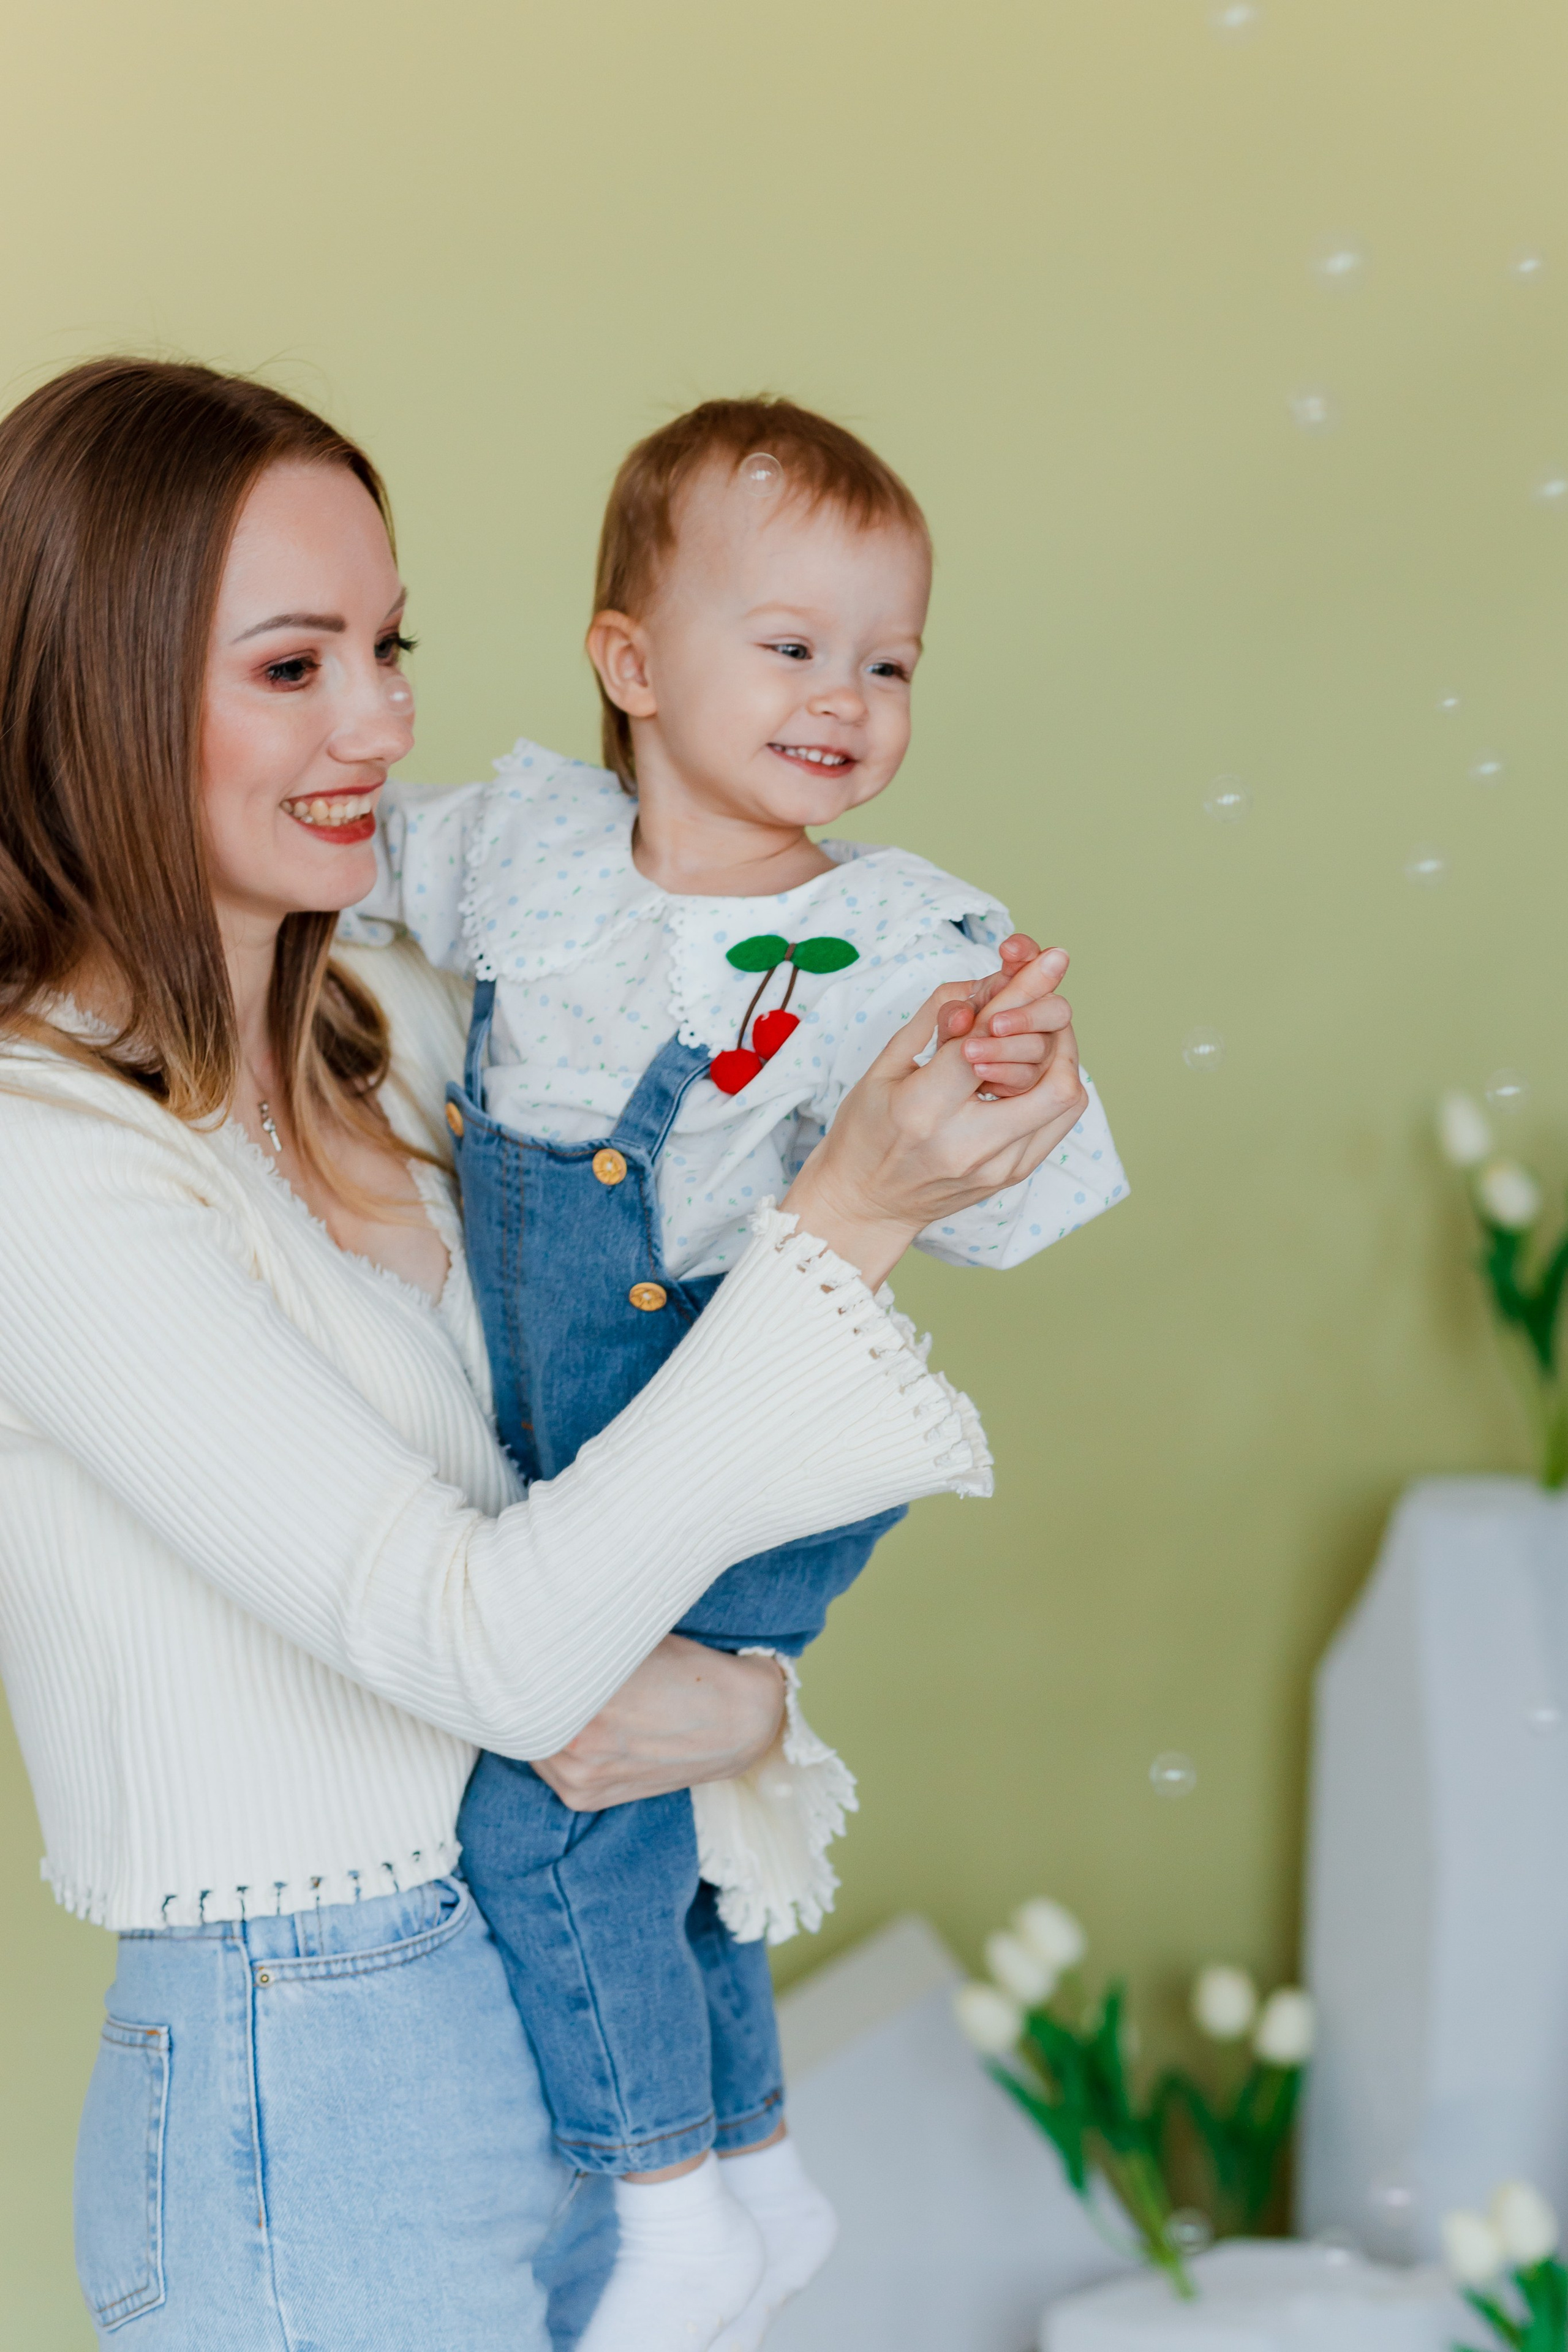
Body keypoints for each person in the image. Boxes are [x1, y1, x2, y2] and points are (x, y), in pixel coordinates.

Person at [0, 360, 1090, 2352]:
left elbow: (615, 1499)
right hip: (309, 2072)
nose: (385, 720)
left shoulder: (421, 1036)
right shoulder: (43, 1169)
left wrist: (754, 1711)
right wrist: (848, 1215)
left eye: (389, 643)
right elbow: (486, 1644)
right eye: (294, 663)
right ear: (95, 690)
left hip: (578, 1998)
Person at [346, 396, 1126, 2352]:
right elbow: (326, 876)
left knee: (549, 1812)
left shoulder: (886, 937)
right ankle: (758, 2169)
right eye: (788, 645)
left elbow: (1019, 1191)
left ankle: (666, 2204)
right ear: (631, 661)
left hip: (756, 1438)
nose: (842, 698)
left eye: (888, 662)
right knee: (667, 1818)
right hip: (584, 1440)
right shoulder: (521, 848)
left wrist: (1021, 1076)